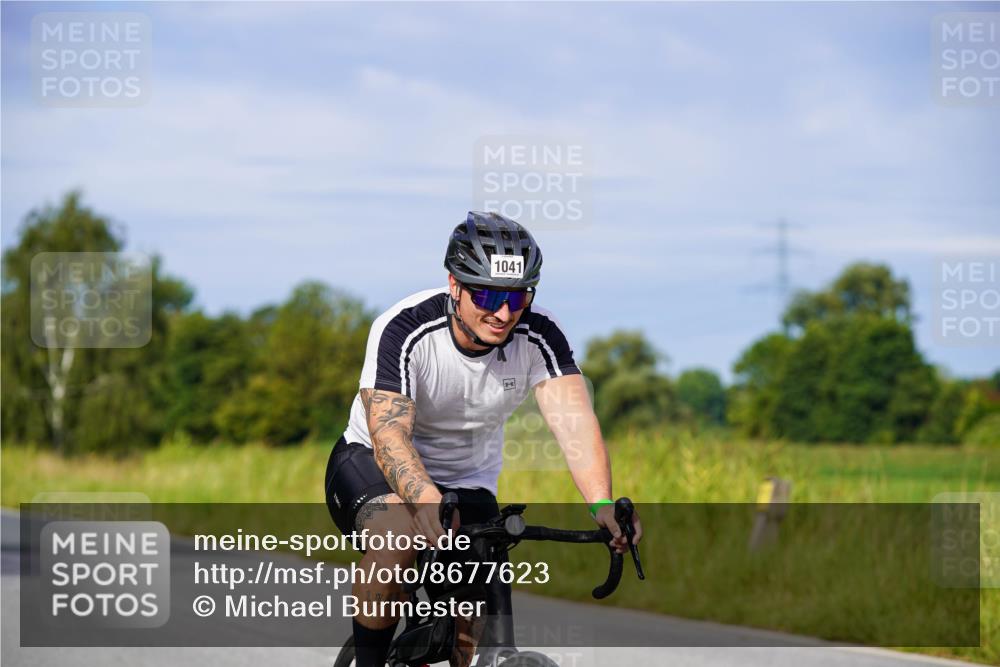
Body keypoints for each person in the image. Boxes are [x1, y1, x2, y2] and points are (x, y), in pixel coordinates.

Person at [325, 211, 642, 667]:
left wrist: (602, 505)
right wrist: (424, 499)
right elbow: (389, 434)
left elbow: (574, 421)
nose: (504, 312)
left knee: (472, 631)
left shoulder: (540, 334)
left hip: (468, 479)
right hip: (372, 466)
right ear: (455, 285)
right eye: (488, 294)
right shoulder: (403, 327)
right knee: (397, 535)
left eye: (518, 298)